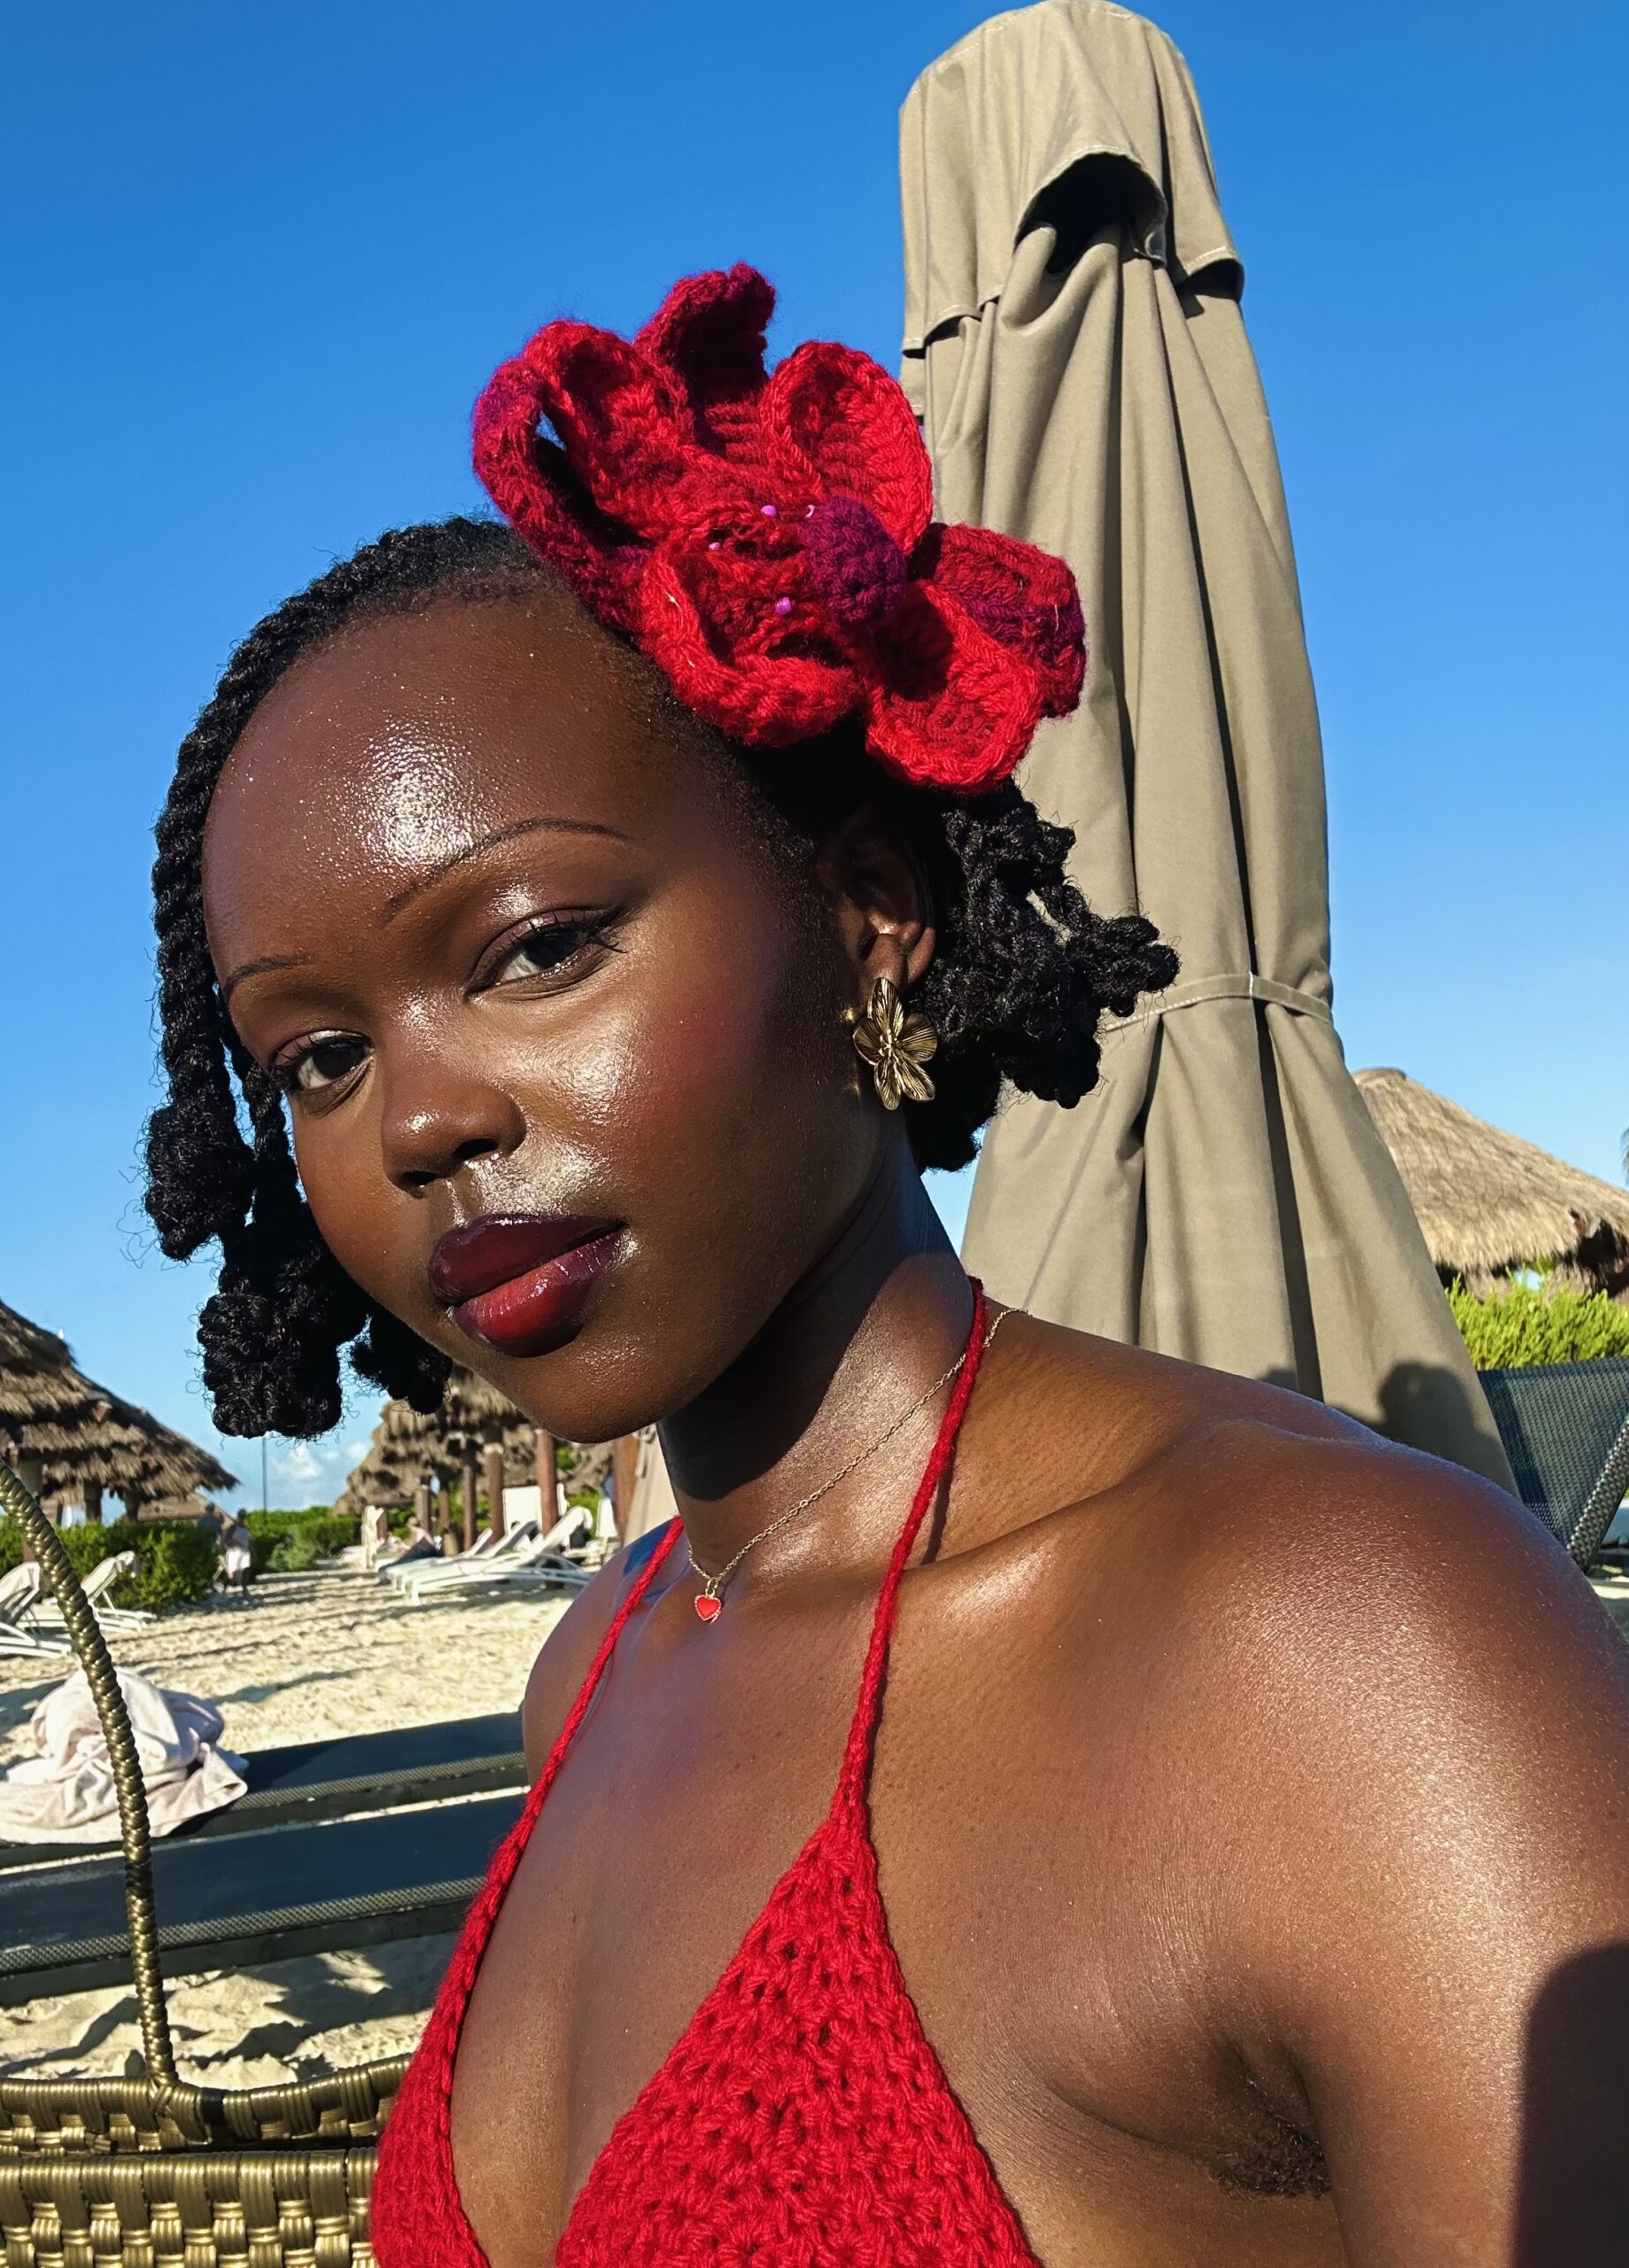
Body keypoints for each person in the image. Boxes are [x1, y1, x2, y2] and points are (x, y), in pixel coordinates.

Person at [145, 269, 1629, 2264]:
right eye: (316, 1058)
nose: (416, 1121)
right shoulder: (593, 1671)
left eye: (533, 945)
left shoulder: (1338, 1647)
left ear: (865, 916)